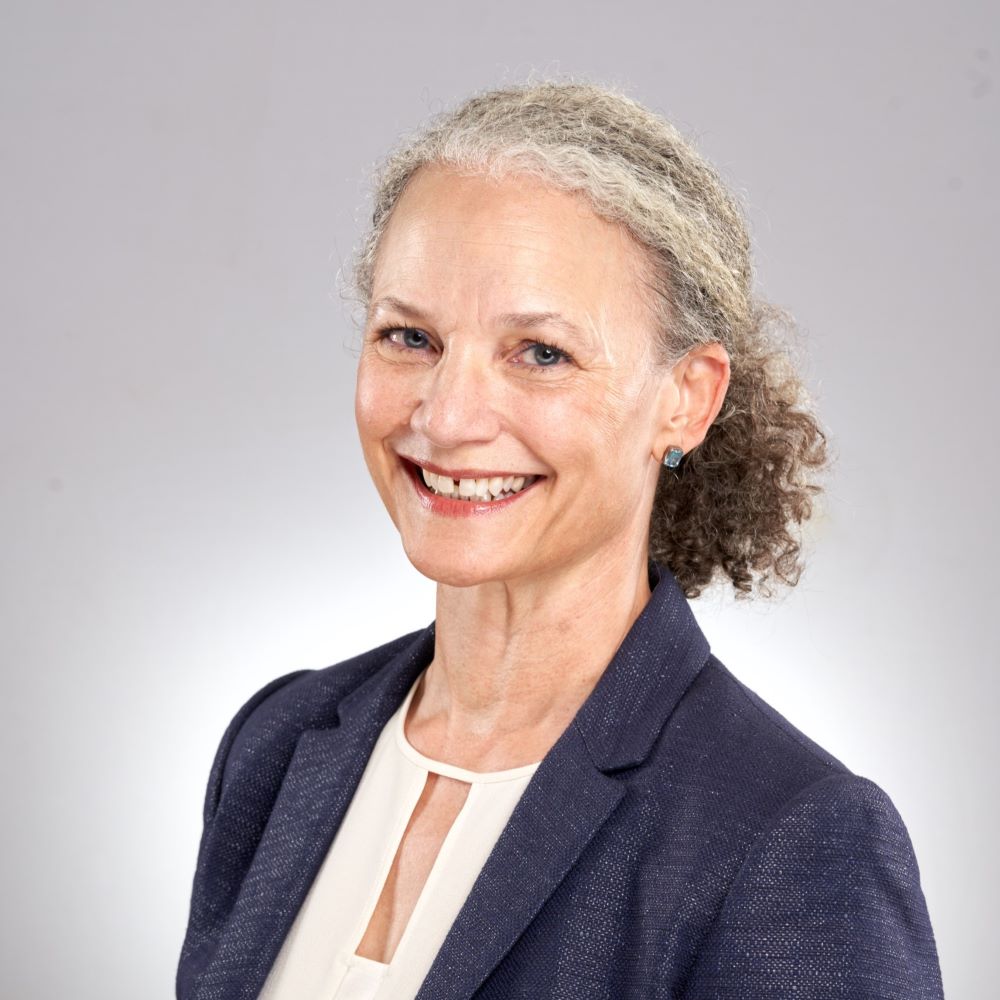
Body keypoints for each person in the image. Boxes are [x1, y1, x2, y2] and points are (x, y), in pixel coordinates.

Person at [176, 80, 945, 1000]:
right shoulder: (278, 745)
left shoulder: (791, 837)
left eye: (541, 353)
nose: (447, 417)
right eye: (410, 337)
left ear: (687, 399)